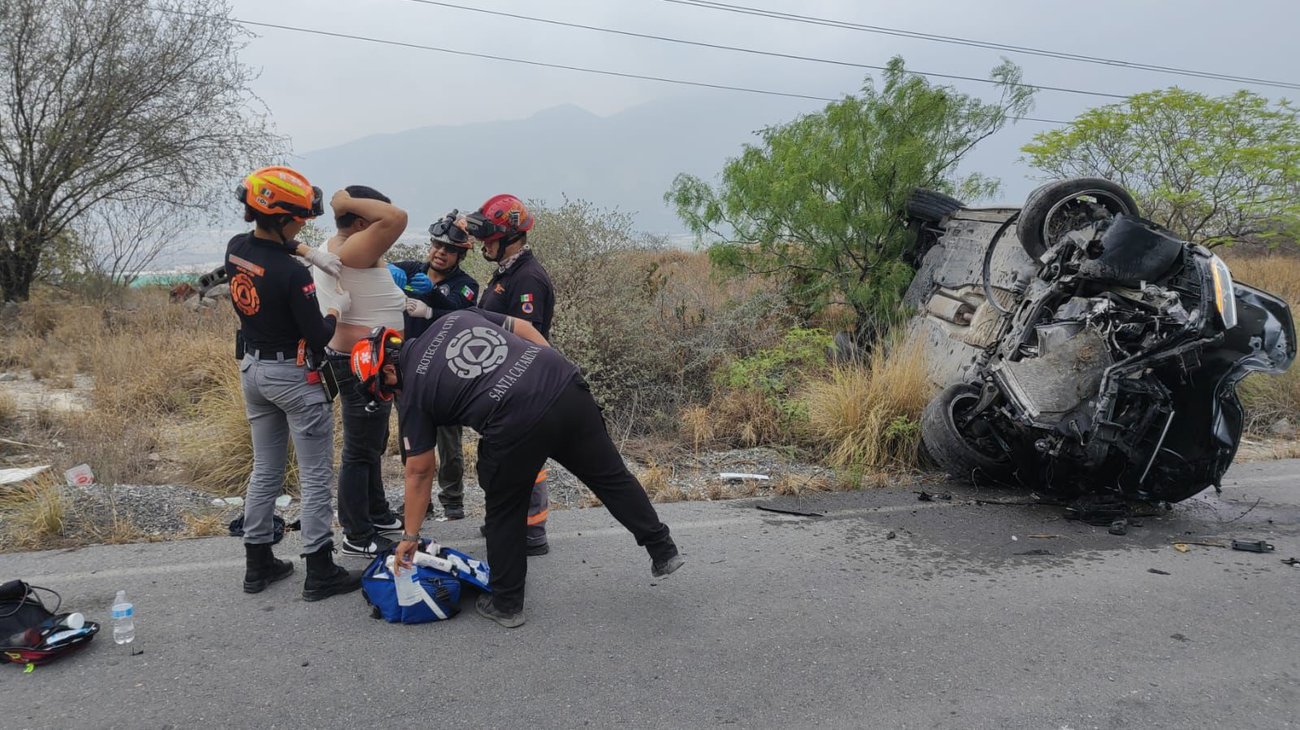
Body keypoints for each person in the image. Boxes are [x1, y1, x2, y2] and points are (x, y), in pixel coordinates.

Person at [350, 311, 683, 628]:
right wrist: (550, 370)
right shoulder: (452, 318)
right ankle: (662, 548)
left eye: (386, 389)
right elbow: (521, 326)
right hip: (563, 382)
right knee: (611, 477)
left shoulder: (413, 395)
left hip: (515, 419)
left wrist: (410, 537)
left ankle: (506, 603)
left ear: (389, 373)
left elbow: (419, 472)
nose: (393, 396)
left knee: (505, 505)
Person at [226, 165, 358, 602]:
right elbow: (320, 335)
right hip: (293, 376)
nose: (304, 223)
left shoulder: (235, 250)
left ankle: (257, 561)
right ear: (281, 217)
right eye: (299, 217)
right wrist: (336, 308)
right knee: (316, 475)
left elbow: (272, 245)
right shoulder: (290, 274)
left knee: (265, 468)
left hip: (253, 371)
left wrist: (305, 250)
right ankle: (319, 569)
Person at [309, 186, 409, 559]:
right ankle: (356, 533)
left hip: (366, 361)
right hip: (360, 363)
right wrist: (343, 200)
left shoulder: (339, 247)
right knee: (358, 450)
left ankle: (376, 514)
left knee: (370, 446)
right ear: (364, 222)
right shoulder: (350, 250)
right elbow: (398, 218)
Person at [464, 194, 555, 554]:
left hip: (520, 383)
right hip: (498, 383)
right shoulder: (507, 273)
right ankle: (505, 519)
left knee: (525, 459)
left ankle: (532, 531)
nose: (484, 243)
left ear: (510, 238)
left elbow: (524, 336)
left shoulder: (528, 279)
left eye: (490, 237)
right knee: (498, 457)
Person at [390, 211, 479, 520]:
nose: (441, 253)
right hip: (405, 369)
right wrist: (387, 268)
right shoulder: (412, 269)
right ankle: (420, 502)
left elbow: (463, 313)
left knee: (449, 441)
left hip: (445, 373)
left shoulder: (465, 285)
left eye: (450, 249)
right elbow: (376, 269)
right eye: (437, 246)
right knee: (410, 439)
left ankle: (453, 500)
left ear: (460, 255)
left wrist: (430, 307)